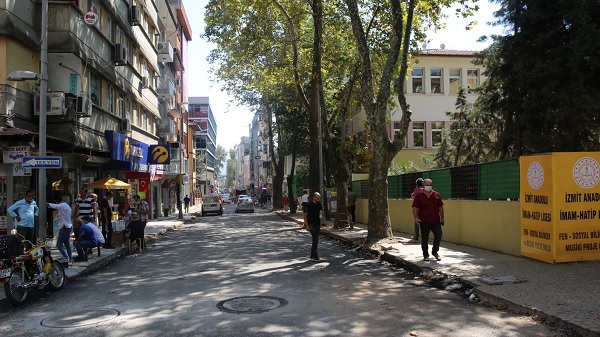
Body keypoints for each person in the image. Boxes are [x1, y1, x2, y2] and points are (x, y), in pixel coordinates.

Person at [412, 179, 445, 261]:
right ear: (423, 185)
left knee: (438, 235)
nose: (428, 186)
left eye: (430, 185)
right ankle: (425, 255)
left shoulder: (436, 194)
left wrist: (442, 218)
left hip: (435, 220)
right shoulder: (419, 195)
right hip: (424, 221)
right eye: (427, 185)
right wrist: (416, 217)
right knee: (424, 238)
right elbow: (415, 207)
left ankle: (435, 252)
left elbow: (440, 207)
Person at [47, 194, 73, 265]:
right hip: (68, 226)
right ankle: (70, 259)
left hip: (64, 226)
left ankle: (66, 258)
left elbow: (56, 206)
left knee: (59, 244)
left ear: (56, 201)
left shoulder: (62, 206)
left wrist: (47, 204)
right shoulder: (67, 206)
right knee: (67, 244)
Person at [306, 192, 324, 261]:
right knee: (315, 238)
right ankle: (315, 255)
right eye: (317, 198)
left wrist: (322, 214)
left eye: (319, 198)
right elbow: (305, 215)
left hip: (317, 223)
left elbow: (321, 213)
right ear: (314, 198)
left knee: (315, 240)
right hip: (311, 224)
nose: (318, 200)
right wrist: (307, 225)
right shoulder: (309, 204)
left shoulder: (319, 204)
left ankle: (312, 254)